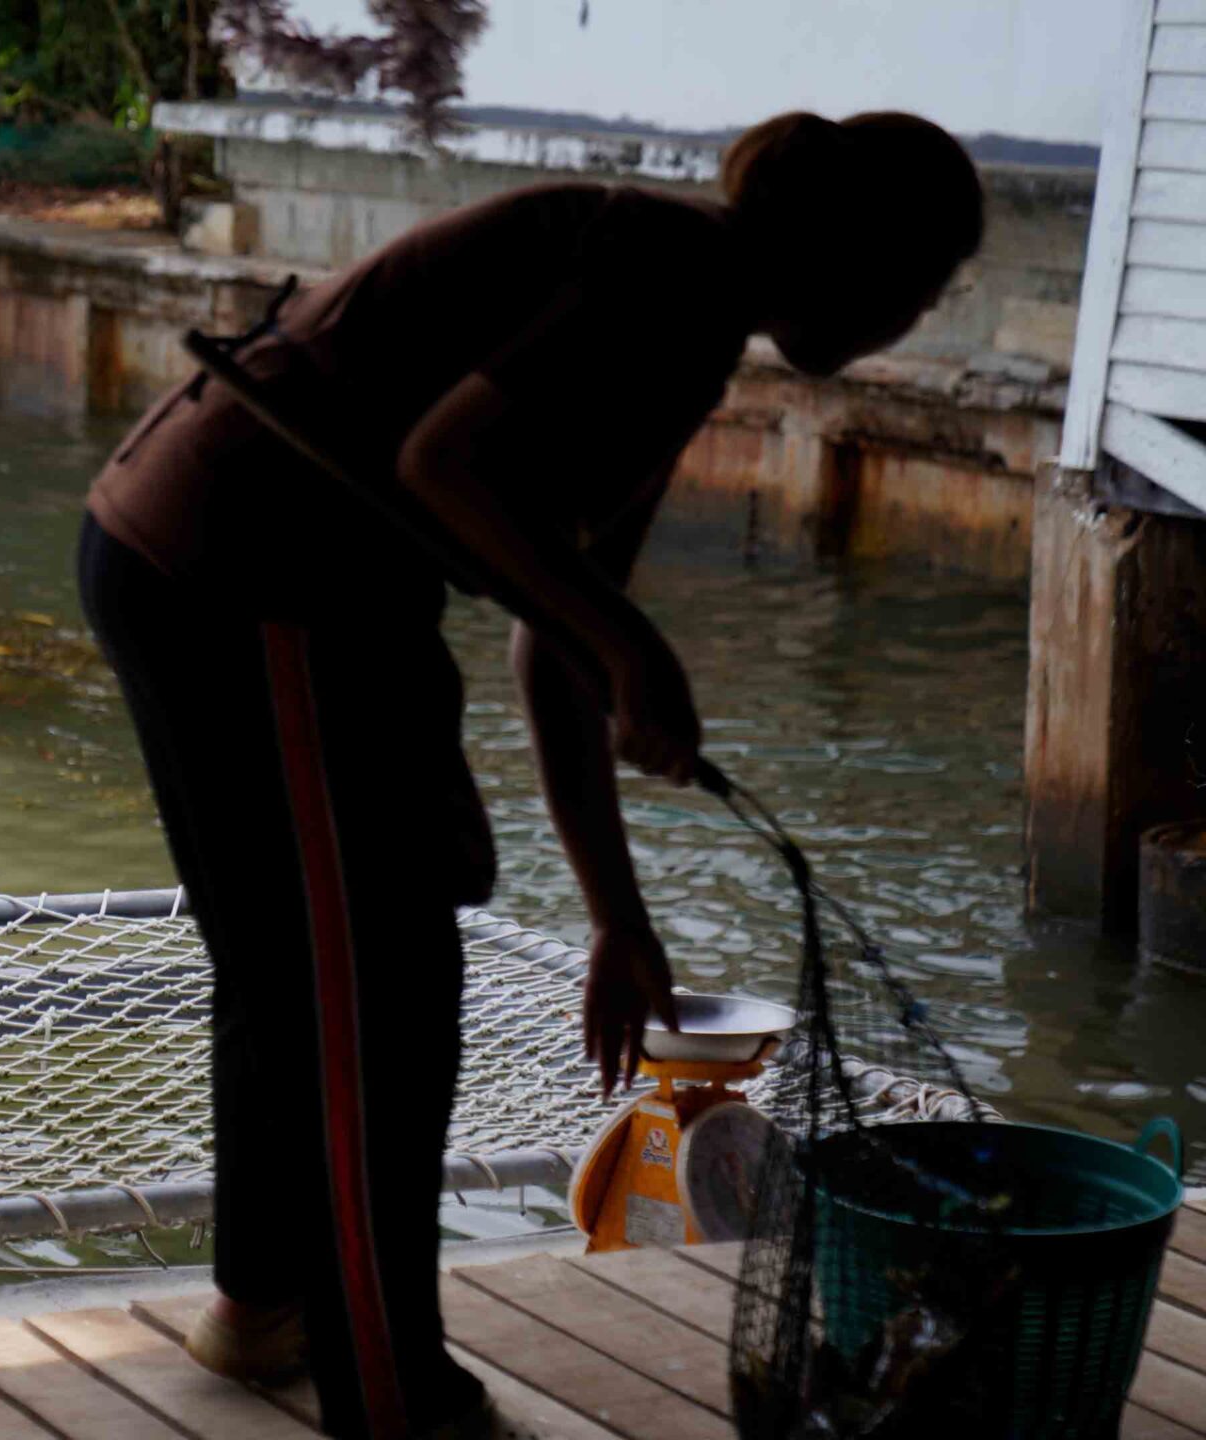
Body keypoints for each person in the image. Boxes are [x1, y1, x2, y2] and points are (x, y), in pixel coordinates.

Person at [78, 112, 983, 1438]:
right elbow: (438, 464)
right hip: (252, 576)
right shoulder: (669, 279)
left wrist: (618, 914)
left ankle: (260, 1309)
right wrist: (639, 651)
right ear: (854, 256)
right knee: (370, 992)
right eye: (919, 286)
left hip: (225, 567)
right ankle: (392, 1395)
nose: (913, 318)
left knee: (303, 961)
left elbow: (554, 647)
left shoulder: (689, 313)